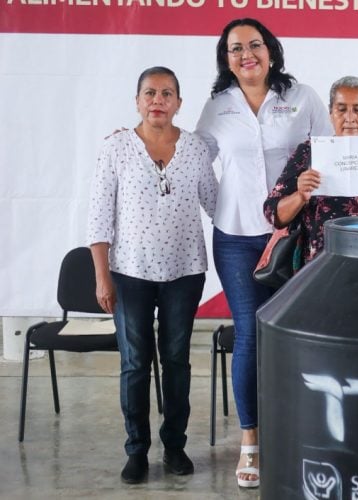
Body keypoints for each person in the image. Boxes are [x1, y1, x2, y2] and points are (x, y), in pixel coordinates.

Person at [194, 18, 332, 488]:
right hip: (236, 238)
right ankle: (251, 440)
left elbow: (331, 152)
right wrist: (145, 138)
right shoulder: (218, 106)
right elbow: (195, 159)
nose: (246, 54)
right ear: (226, 59)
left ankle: (297, 430)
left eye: (254, 45)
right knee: (251, 333)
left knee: (296, 333)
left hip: (295, 235)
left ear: (271, 51)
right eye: (236, 48)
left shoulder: (302, 98)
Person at [87, 66, 217, 484]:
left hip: (185, 271)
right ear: (137, 101)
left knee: (176, 360)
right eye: (149, 93)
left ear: (179, 102)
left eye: (166, 93)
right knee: (135, 363)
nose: (157, 100)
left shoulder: (195, 149)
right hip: (129, 273)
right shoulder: (116, 148)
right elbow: (99, 217)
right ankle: (137, 450)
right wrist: (102, 276)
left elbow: (216, 204)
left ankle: (174, 445)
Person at [264, 76, 358, 260]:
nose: (350, 118)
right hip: (321, 265)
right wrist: (300, 196)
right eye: (341, 109)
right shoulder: (309, 153)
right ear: (330, 112)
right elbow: (273, 215)